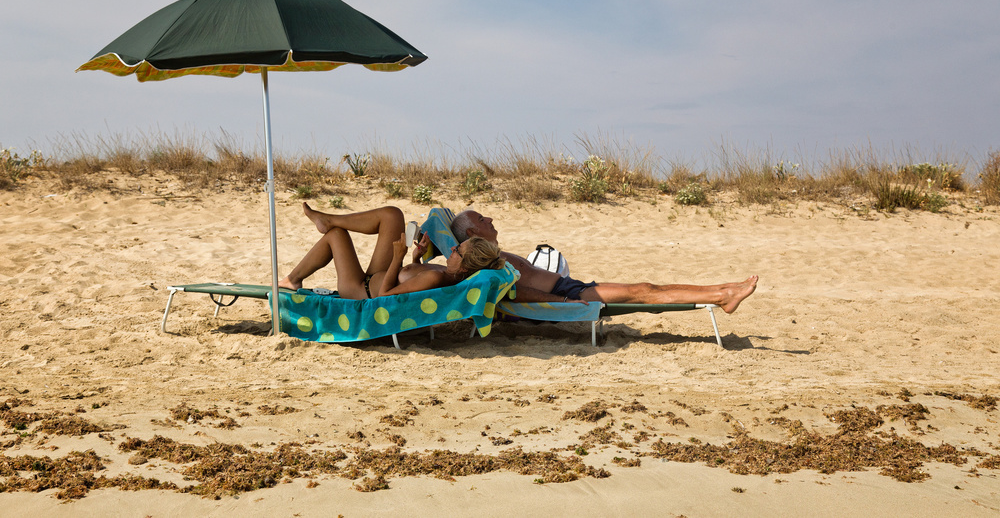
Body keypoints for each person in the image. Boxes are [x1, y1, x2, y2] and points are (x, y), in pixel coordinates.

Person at [451, 209, 757, 313]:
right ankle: (723, 296)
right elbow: (514, 292)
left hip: (568, 287)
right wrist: (563, 301)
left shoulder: (492, 253)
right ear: (473, 232)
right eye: (481, 219)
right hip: (568, 294)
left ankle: (724, 289)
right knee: (643, 291)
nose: (489, 218)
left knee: (646, 287)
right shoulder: (485, 261)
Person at [279, 204, 504, 298]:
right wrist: (416, 258)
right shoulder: (449, 273)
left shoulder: (437, 276)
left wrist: (398, 257)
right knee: (392, 215)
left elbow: (385, 297)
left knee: (336, 235)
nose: (452, 248)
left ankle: (293, 279)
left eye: (457, 250)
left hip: (361, 291)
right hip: (379, 275)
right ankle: (328, 219)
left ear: (464, 267)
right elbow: (415, 283)